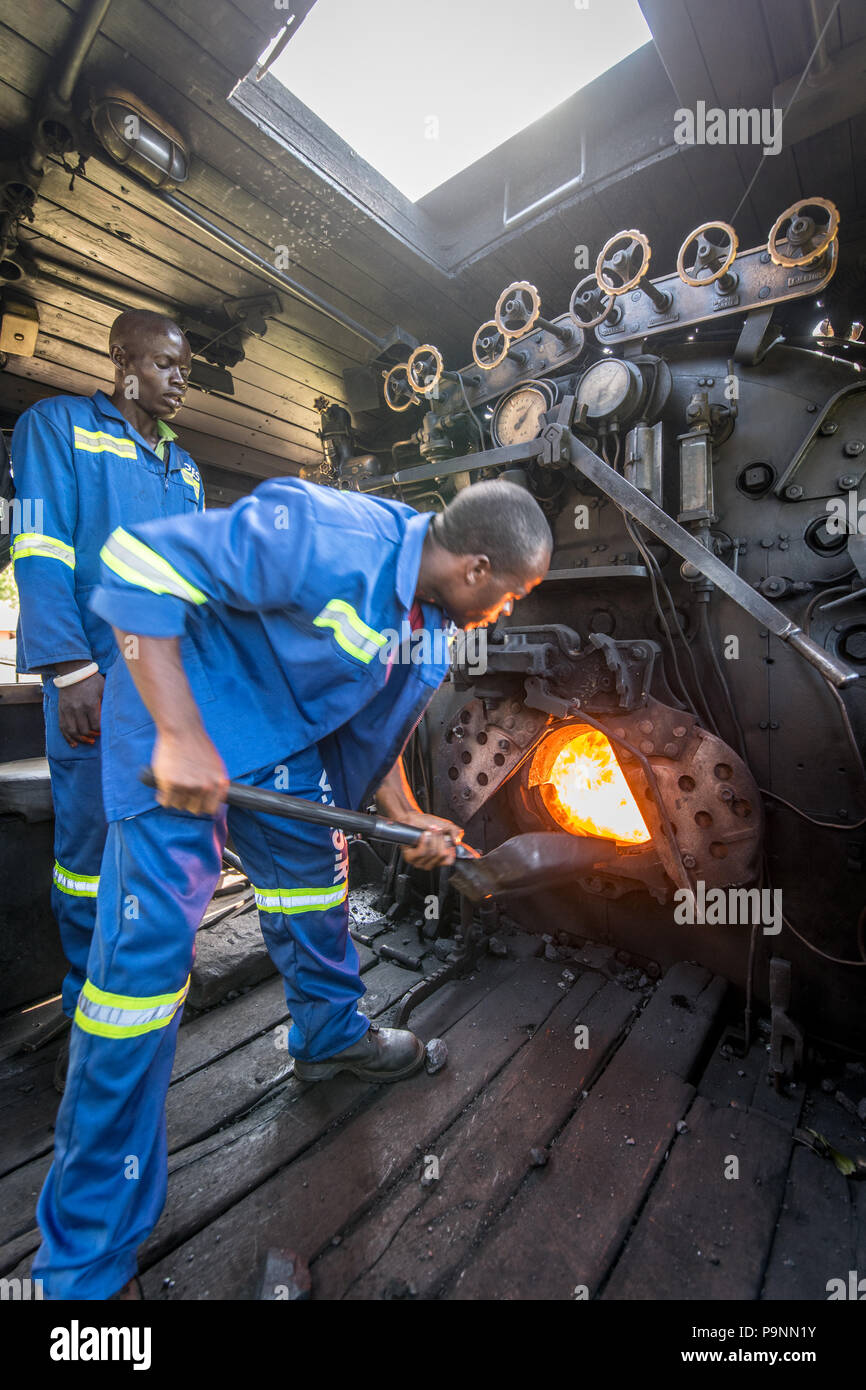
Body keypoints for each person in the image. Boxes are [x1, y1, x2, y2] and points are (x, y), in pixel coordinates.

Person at [32, 475, 552, 1299]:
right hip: (179, 730)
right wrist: (178, 734)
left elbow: (370, 726)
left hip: (277, 749)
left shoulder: (437, 627)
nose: (512, 612)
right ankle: (83, 1265)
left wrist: (411, 817)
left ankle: (328, 1036)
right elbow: (134, 565)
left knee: (315, 890)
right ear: (478, 566)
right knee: (138, 984)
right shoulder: (326, 531)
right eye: (516, 593)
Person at [10, 311, 203, 1087]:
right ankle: (88, 1013)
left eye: (186, 367)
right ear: (122, 361)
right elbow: (37, 548)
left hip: (168, 691)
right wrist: (67, 673)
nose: (180, 379)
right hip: (95, 684)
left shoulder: (184, 467)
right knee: (88, 857)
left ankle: (143, 1005)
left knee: (157, 850)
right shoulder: (54, 426)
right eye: (164, 364)